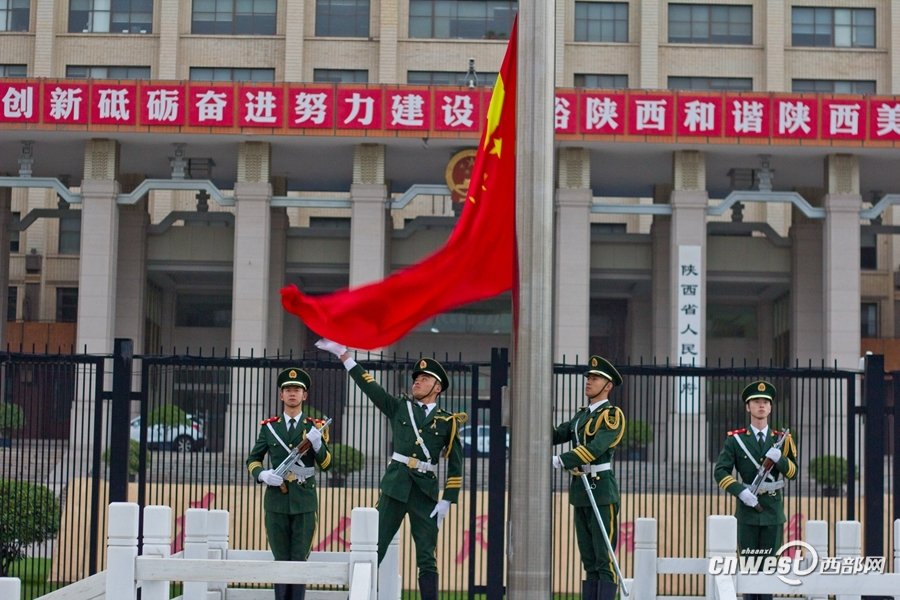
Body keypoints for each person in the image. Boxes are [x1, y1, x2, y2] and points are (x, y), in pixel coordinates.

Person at [315, 338, 466, 600]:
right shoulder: (400, 407)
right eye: (415, 378)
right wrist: (344, 356)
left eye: (424, 378)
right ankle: (361, 594)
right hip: (395, 486)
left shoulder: (448, 421)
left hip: (425, 494)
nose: (416, 381)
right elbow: (370, 387)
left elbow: (456, 466)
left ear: (437, 387)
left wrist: (447, 501)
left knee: (427, 557)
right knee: (376, 545)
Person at [246, 367, 332, 600]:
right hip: (276, 501)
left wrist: (317, 445)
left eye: (297, 390)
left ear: (305, 396)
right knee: (281, 559)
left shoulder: (316, 427)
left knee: (299, 560)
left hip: (304, 500)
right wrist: (263, 475)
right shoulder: (270, 427)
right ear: (281, 395)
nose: (292, 393)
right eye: (287, 389)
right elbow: (253, 459)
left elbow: (326, 465)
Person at [713, 380, 797, 600]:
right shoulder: (736, 440)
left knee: (768, 573)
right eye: (756, 401)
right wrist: (740, 491)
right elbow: (720, 472)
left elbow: (794, 473)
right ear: (747, 407)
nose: (761, 405)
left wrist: (780, 462)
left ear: (770, 408)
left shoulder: (782, 439)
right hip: (748, 512)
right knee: (749, 571)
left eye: (766, 402)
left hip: (772, 512)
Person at [551, 355, 626, 600]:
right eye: (588, 377)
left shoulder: (612, 415)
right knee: (589, 559)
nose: (589, 381)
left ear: (608, 385)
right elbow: (557, 434)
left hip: (601, 491)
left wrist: (562, 460)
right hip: (580, 492)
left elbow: (596, 448)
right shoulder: (581, 416)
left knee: (604, 558)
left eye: (595, 378)